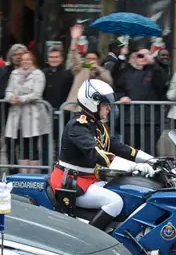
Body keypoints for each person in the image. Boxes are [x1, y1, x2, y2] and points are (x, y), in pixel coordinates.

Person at [50, 79, 155, 230]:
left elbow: (119, 147)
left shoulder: (97, 125)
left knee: (127, 190)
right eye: (106, 105)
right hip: (72, 181)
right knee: (115, 202)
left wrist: (152, 160)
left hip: (89, 179)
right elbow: (100, 155)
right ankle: (91, 238)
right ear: (92, 103)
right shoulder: (78, 126)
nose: (109, 109)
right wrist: (135, 166)